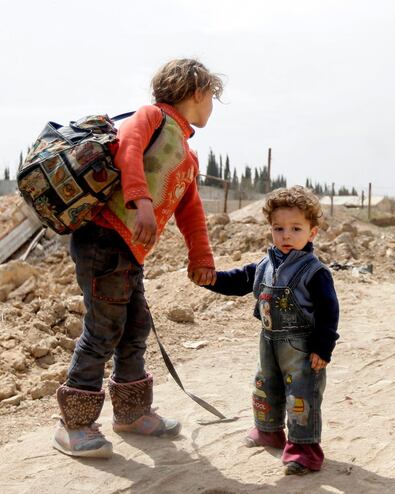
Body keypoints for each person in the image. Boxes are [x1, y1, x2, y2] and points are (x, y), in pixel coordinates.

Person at [53, 59, 223, 458]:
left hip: (128, 249)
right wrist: (140, 199)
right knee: (104, 328)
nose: (212, 105)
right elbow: (127, 146)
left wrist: (202, 255)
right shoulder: (151, 117)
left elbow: (191, 209)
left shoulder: (186, 151)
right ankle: (73, 424)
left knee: (135, 326)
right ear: (198, 92)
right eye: (212, 97)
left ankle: (131, 413)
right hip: (103, 237)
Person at [203, 186, 339, 476]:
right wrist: (209, 279)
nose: (286, 235)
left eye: (295, 228)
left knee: (301, 395)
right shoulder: (265, 264)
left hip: (301, 348)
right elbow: (237, 282)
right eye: (278, 228)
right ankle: (269, 431)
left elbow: (329, 313)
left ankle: (304, 448)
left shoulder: (316, 272)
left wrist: (323, 348)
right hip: (269, 342)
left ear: (312, 232)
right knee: (265, 387)